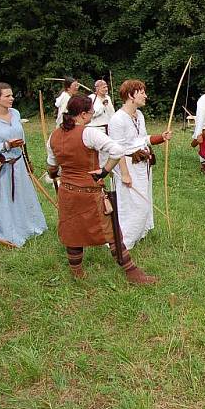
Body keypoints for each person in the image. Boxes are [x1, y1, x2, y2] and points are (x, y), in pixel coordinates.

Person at [47, 96, 158, 284]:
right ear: (83, 114)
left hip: (66, 191)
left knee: (72, 232)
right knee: (111, 231)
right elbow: (117, 150)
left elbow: (51, 166)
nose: (93, 115)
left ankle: (77, 272)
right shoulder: (89, 134)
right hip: (89, 193)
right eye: (91, 112)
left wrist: (55, 173)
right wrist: (104, 171)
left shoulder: (54, 135)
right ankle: (132, 272)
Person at [0, 83, 47, 246]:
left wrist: (26, 159)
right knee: (2, 201)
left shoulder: (15, 113)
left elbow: (21, 138)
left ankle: (26, 226)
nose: (12, 98)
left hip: (18, 164)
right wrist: (5, 146)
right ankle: (2, 231)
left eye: (12, 95)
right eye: (7, 96)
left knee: (21, 197)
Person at [107, 80, 172, 250]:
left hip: (142, 164)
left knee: (144, 200)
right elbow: (117, 149)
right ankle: (125, 239)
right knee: (132, 202)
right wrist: (125, 174)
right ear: (130, 95)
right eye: (142, 92)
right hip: (127, 165)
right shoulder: (117, 119)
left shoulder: (139, 115)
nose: (146, 96)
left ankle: (139, 232)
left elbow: (141, 139)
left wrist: (160, 137)